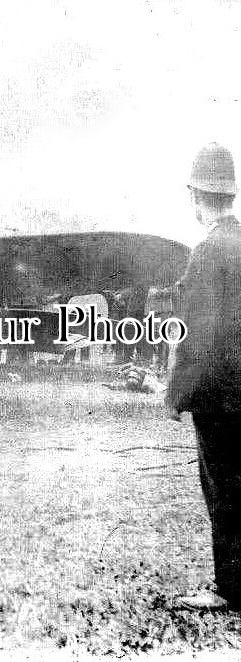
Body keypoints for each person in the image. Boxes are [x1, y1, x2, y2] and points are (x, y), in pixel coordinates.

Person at [167, 143, 241, 611]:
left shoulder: (207, 253)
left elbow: (196, 337)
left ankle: (230, 589)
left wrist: (175, 394)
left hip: (218, 397)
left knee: (224, 489)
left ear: (196, 197)